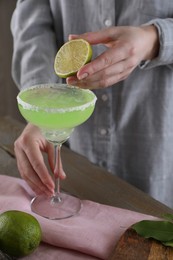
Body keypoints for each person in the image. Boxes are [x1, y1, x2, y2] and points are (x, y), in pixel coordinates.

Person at [11, 0, 173, 208]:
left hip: (157, 150)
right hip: (76, 153)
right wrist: (44, 107)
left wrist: (155, 39)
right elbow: (33, 22)